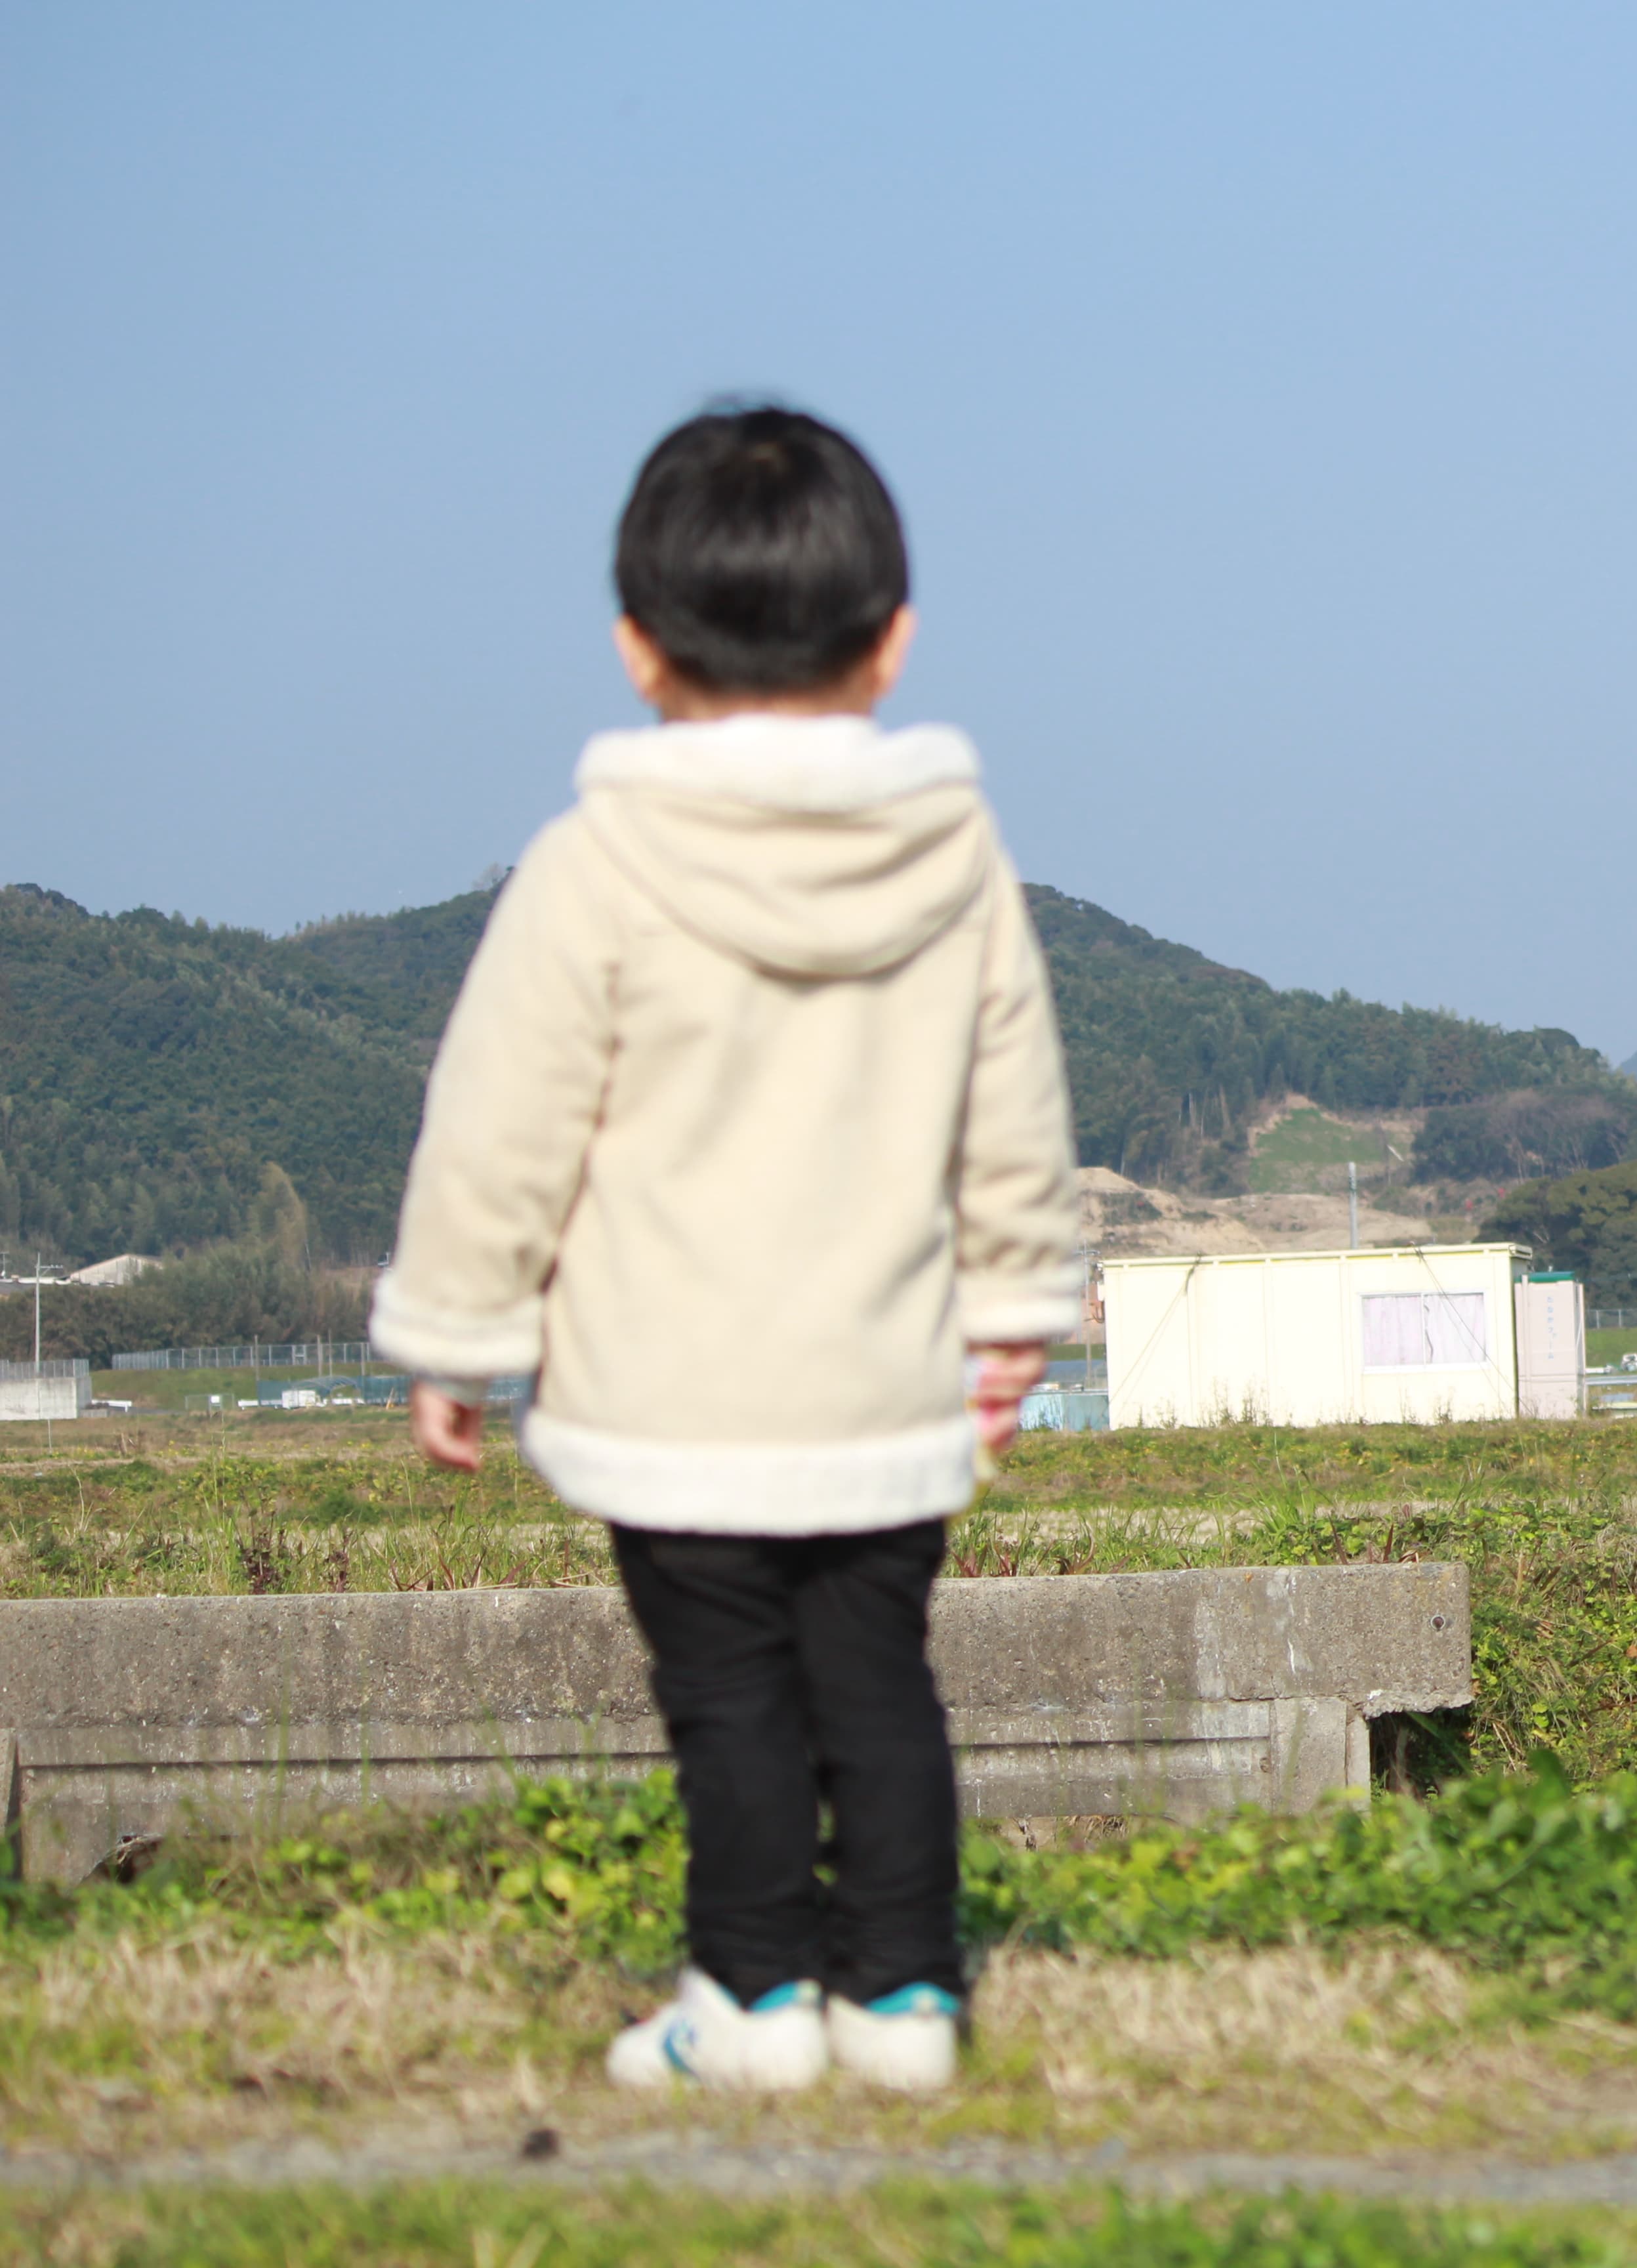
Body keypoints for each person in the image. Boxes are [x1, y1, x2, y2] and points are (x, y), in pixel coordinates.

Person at [372, 405, 1081, 2093]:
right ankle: (903, 1999)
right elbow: (1014, 1101)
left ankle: (752, 2000)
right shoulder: (954, 855)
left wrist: (457, 1331)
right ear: (893, 635)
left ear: (637, 647)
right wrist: (1017, 1307)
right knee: (879, 1688)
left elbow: (503, 1125)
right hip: (884, 1380)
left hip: (668, 1387)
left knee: (734, 1707)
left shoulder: (594, 866)